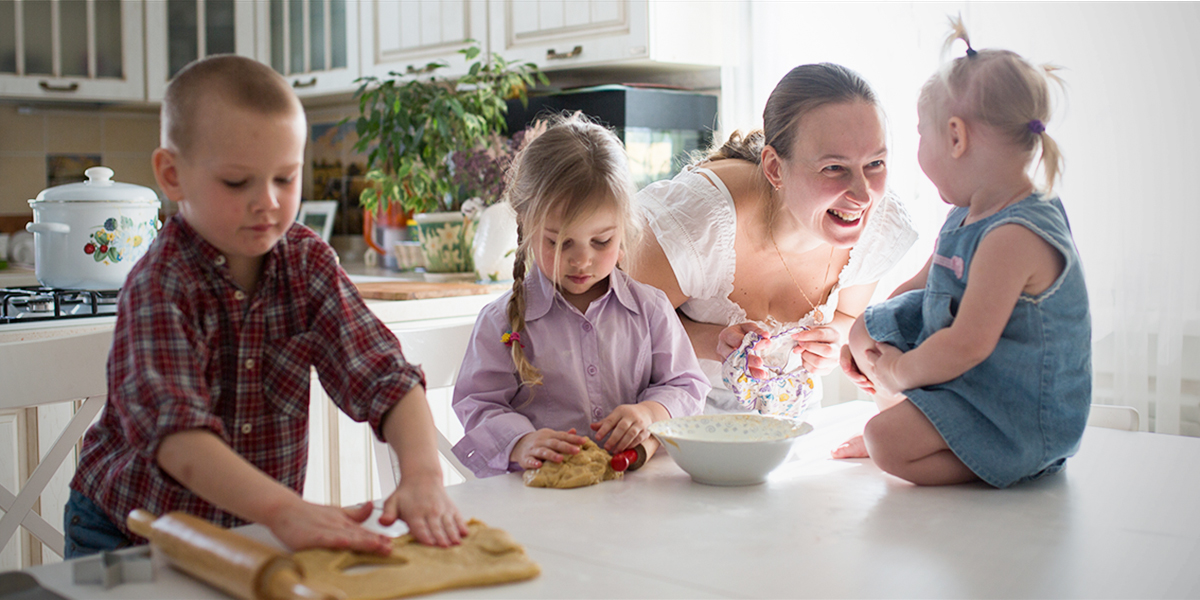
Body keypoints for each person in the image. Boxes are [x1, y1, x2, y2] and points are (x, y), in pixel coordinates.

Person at [64, 55, 468, 558]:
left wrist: (423, 476)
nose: (269, 202)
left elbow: (386, 378)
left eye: (285, 178)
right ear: (172, 175)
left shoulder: (306, 263)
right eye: (238, 182)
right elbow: (179, 440)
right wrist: (287, 512)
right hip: (129, 534)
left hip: (248, 533)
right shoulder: (160, 283)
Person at [840, 18, 1090, 487]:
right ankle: (926, 427)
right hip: (974, 382)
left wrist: (896, 371)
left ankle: (975, 455)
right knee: (865, 330)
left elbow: (968, 343)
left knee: (884, 442)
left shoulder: (1013, 236)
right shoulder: (970, 211)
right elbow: (924, 283)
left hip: (1015, 412)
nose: (914, 151)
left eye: (920, 134)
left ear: (955, 137)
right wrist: (872, 335)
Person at [631, 63, 918, 419]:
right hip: (673, 426)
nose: (862, 195)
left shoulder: (878, 224)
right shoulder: (698, 223)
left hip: (791, 429)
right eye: (834, 168)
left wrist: (833, 339)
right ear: (774, 168)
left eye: (875, 163)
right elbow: (623, 325)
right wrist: (713, 340)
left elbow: (847, 314)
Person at [451, 114, 710, 478]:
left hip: (633, 496)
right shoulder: (502, 322)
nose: (581, 259)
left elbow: (686, 385)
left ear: (624, 229)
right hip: (539, 498)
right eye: (558, 242)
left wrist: (650, 413)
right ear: (525, 224)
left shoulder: (649, 308)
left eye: (601, 241)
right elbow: (478, 404)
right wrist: (522, 442)